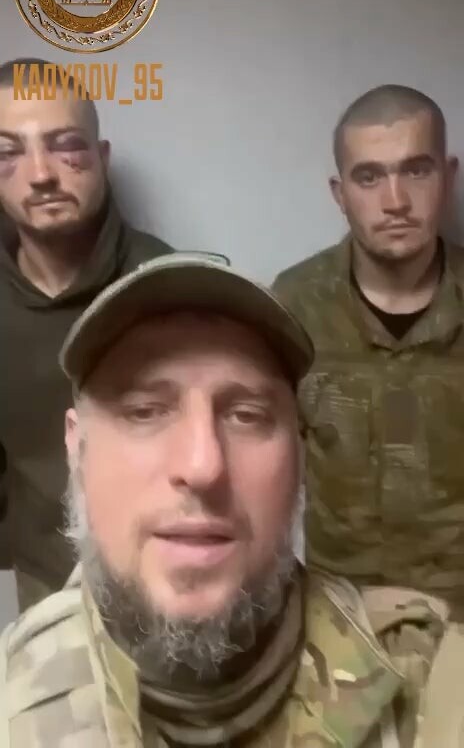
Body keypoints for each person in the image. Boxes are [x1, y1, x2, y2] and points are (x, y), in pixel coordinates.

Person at [0, 250, 462, 747]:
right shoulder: (12, 697)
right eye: (144, 410)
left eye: (247, 415)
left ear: (300, 455)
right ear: (77, 449)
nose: (204, 467)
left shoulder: (428, 676)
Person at [272, 83, 464, 610]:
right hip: (340, 618)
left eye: (416, 171)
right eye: (369, 177)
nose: (395, 201)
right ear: (340, 193)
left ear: (448, 176)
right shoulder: (294, 306)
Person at [0, 57, 173, 611]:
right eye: (8, 153)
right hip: (43, 586)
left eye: (65, 145)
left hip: (164, 580)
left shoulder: (167, 283)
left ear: (101, 158)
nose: (41, 174)